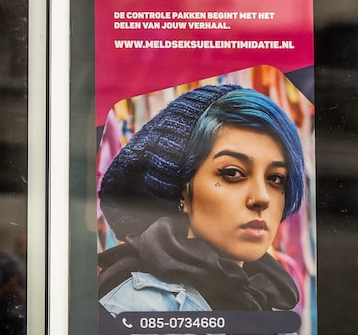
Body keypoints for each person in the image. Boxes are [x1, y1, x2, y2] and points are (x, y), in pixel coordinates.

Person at [97, 84, 305, 321]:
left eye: (275, 178)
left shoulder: (269, 303)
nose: (261, 198)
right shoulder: (134, 310)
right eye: (232, 173)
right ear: (182, 190)